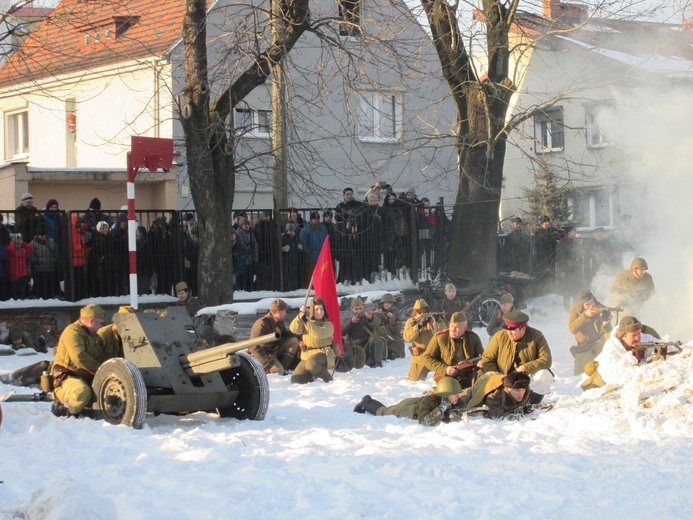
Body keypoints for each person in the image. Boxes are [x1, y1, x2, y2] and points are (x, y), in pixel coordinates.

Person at [49, 304, 109, 417]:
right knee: (81, 393)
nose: (101, 327)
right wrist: (102, 372)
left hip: (87, 377)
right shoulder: (73, 332)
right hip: (68, 378)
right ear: (91, 321)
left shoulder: (92, 335)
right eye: (100, 323)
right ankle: (67, 410)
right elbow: (79, 357)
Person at [481, 311, 553, 404]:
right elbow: (487, 359)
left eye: (513, 330)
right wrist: (498, 377)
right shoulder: (499, 336)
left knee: (545, 375)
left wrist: (525, 367)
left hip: (526, 379)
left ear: (522, 329)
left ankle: (530, 403)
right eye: (507, 329)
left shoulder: (537, 336)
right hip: (504, 379)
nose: (509, 333)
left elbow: (546, 360)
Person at [581, 316, 664, 389]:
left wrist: (662, 349)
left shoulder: (644, 338)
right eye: (633, 335)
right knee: (590, 370)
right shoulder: (611, 347)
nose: (638, 338)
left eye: (639, 333)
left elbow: (662, 344)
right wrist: (633, 356)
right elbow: (612, 377)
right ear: (623, 336)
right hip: (601, 378)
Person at [352, 376, 465, 427]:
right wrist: (441, 410)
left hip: (416, 403)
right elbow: (424, 421)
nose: (457, 396)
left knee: (387, 409)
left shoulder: (452, 400)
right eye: (455, 394)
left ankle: (369, 401)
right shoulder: (430, 401)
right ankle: (366, 402)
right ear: (446, 394)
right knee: (383, 412)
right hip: (408, 409)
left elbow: (462, 408)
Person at [422, 312, 484, 389]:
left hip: (468, 374)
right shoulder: (439, 337)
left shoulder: (473, 338)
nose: (453, 330)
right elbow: (427, 358)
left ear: (465, 328)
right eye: (451, 326)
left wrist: (482, 362)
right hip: (447, 375)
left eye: (457, 328)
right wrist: (445, 369)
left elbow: (482, 356)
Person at [289, 298, 340, 384]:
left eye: (321, 309)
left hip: (324, 353)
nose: (320, 312)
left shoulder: (328, 325)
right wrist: (300, 316)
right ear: (312, 310)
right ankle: (312, 377)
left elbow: (318, 334)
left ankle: (328, 379)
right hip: (307, 355)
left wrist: (306, 322)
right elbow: (294, 329)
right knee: (297, 379)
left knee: (311, 365)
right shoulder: (306, 323)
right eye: (316, 309)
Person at [248, 298, 300, 375]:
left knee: (294, 341)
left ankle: (284, 367)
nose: (285, 314)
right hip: (264, 354)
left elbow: (284, 334)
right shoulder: (261, 324)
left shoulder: (279, 321)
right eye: (284, 311)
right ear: (278, 312)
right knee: (278, 372)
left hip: (274, 351)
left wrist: (300, 338)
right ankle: (278, 370)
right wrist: (266, 363)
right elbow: (253, 346)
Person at [568, 289, 612, 375]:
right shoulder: (575, 311)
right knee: (582, 373)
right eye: (587, 304)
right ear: (582, 305)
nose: (591, 306)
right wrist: (585, 316)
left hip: (600, 344)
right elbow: (572, 329)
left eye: (592, 302)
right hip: (584, 346)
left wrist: (605, 324)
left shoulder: (601, 308)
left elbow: (608, 332)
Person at [458, 371, 531, 420]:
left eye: (522, 390)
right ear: (508, 388)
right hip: (481, 386)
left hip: (499, 377)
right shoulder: (494, 396)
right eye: (517, 390)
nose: (521, 394)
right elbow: (497, 417)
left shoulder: (526, 391)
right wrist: (518, 417)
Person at [341, 297, 385, 369]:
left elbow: (377, 324)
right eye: (356, 309)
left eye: (360, 309)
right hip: (354, 346)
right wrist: (351, 322)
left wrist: (371, 318)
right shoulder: (348, 320)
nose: (358, 311)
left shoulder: (367, 317)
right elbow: (342, 332)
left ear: (363, 308)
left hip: (367, 344)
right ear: (351, 309)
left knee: (376, 340)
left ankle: (378, 362)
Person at [404, 298, 438, 381]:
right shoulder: (411, 322)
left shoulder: (432, 320)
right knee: (415, 379)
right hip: (420, 357)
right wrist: (418, 326)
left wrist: (437, 321)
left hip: (435, 355)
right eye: (419, 312)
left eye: (425, 311)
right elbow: (408, 338)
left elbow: (442, 333)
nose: (422, 313)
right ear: (415, 313)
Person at [556, 225, 584, 309]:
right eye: (573, 231)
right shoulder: (563, 242)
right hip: (567, 269)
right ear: (568, 233)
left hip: (576, 268)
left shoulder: (575, 242)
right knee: (567, 288)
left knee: (577, 287)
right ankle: (567, 307)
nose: (575, 232)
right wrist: (562, 270)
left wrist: (580, 244)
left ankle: (576, 305)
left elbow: (579, 254)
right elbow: (561, 257)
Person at [30, 223, 61, 299]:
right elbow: (31, 257)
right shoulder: (33, 243)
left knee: (50, 284)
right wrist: (39, 261)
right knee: (40, 284)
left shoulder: (52, 242)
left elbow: (57, 253)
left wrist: (53, 260)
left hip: (51, 267)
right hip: (39, 269)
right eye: (42, 234)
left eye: (45, 234)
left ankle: (51, 295)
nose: (44, 236)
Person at [373, 293, 405, 360]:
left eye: (389, 303)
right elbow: (374, 324)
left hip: (391, 333)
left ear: (392, 304)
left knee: (398, 340)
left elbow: (397, 330)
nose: (387, 304)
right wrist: (380, 316)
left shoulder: (395, 312)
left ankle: (396, 357)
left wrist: (393, 323)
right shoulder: (376, 311)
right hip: (379, 333)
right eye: (385, 302)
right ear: (382, 303)